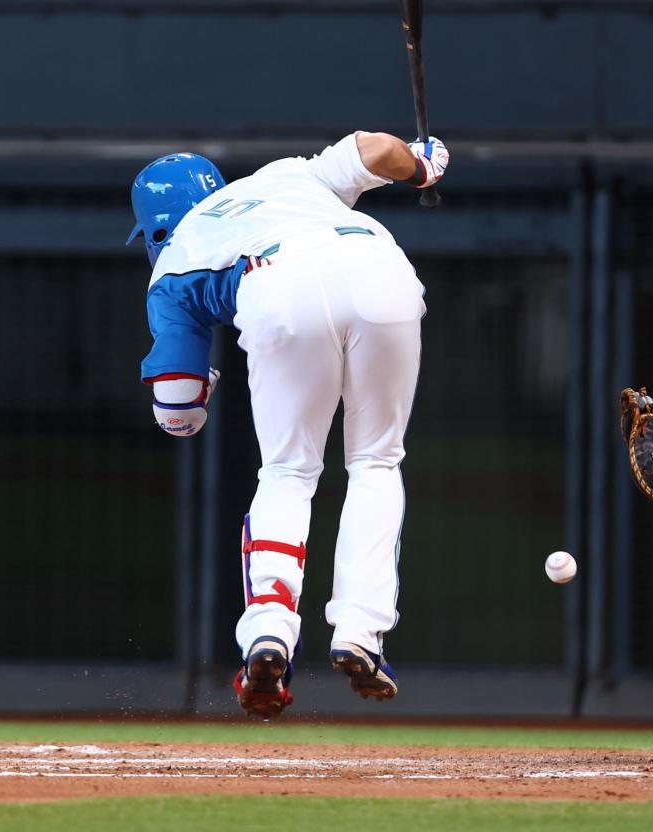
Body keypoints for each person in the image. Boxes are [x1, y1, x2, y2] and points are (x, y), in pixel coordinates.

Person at [127, 133, 449, 718]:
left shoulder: (175, 260)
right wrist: (421, 166)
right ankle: (360, 633)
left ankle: (269, 632)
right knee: (376, 462)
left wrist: (205, 389)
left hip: (279, 286)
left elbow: (178, 414)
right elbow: (378, 149)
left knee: (289, 471)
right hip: (380, 268)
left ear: (152, 227)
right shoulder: (286, 174)